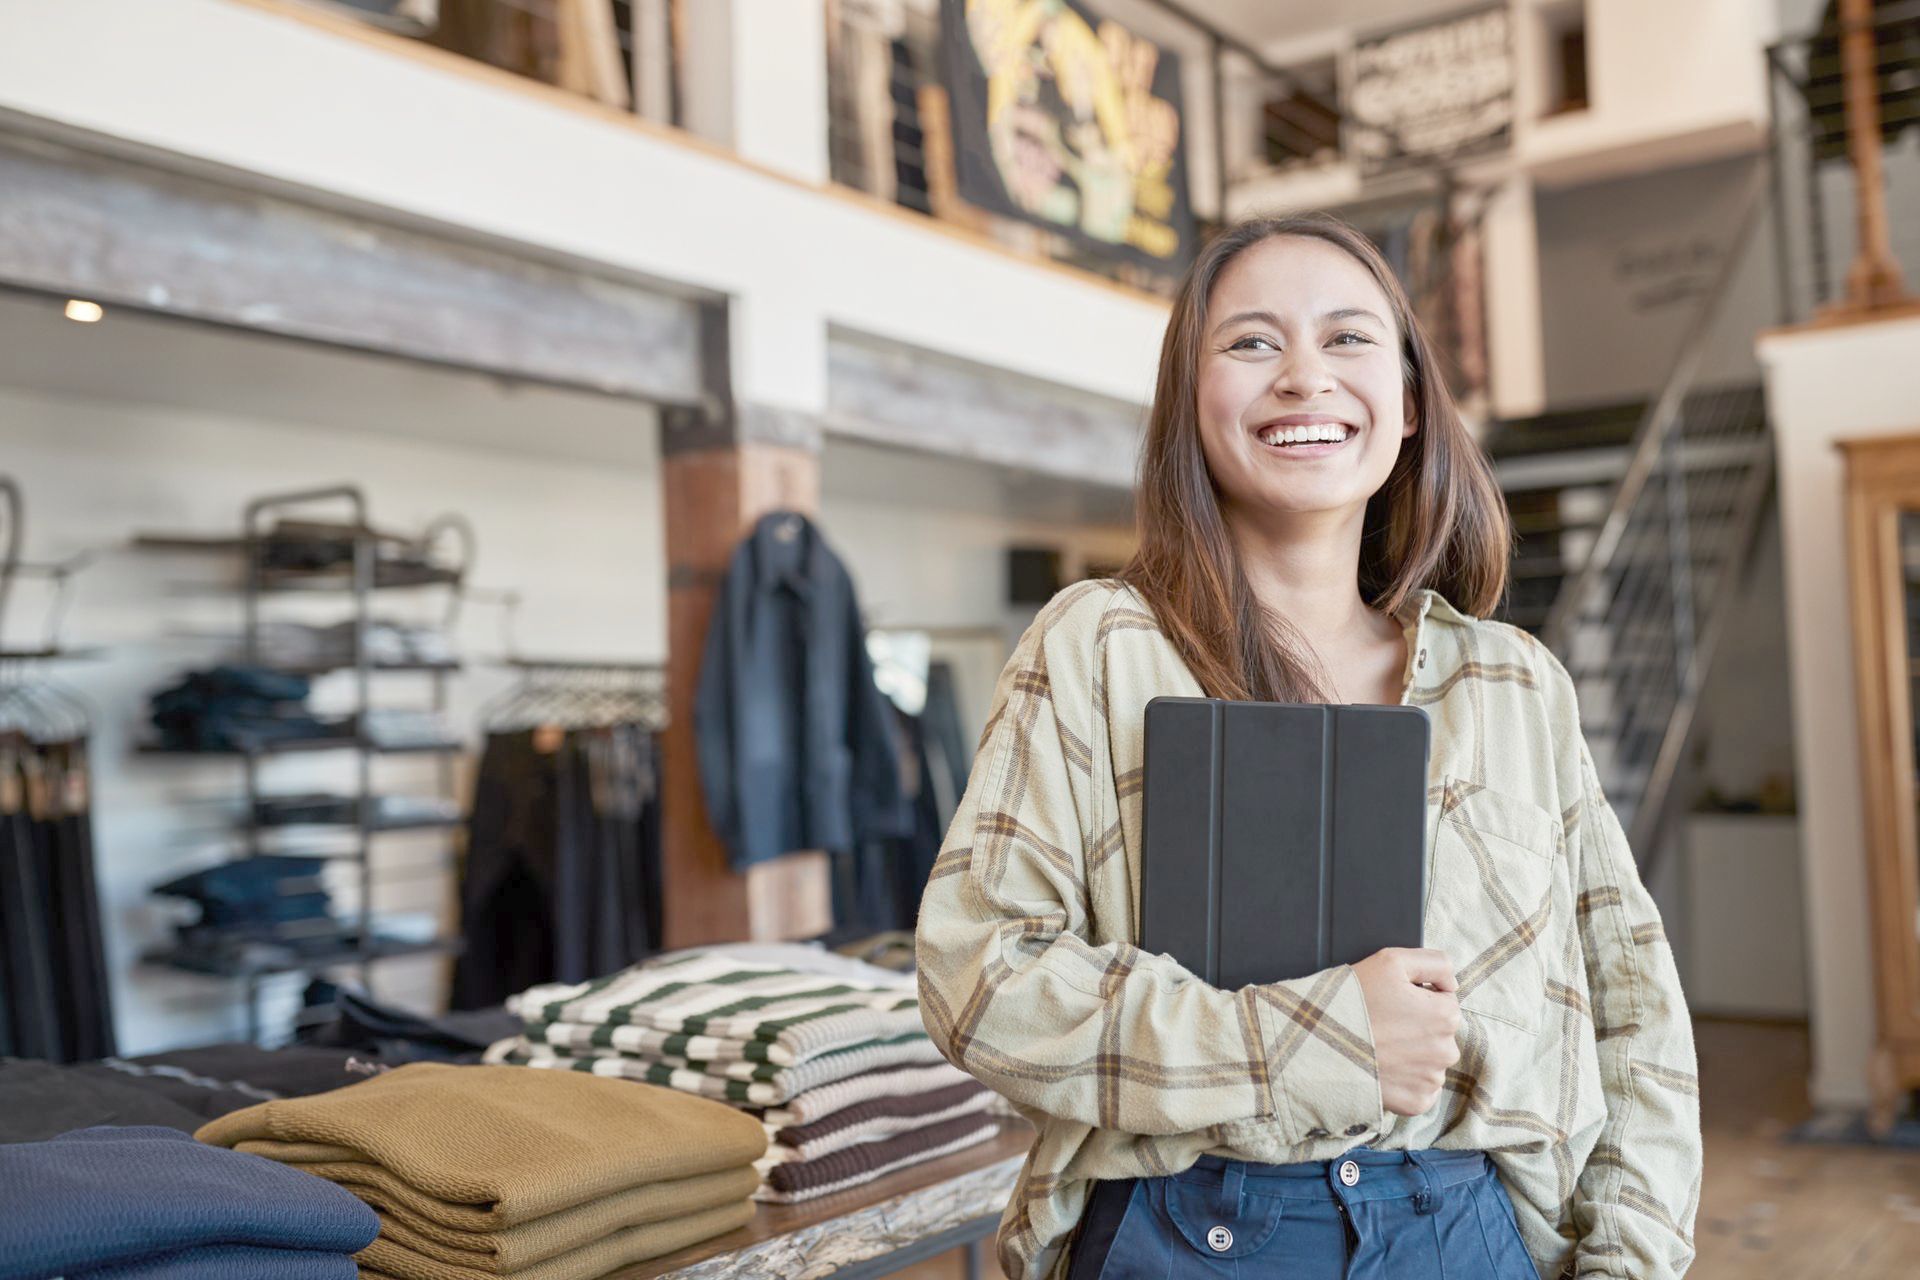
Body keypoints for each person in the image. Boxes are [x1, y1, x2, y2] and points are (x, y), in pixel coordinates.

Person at [914, 212, 1701, 1280]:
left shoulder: (1515, 682)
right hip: (1187, 1229)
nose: (1303, 376)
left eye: (1347, 338)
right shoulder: (1096, 648)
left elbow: (1636, 1007)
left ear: (1411, 400)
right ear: (1189, 404)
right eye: (1250, 342)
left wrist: (1632, 1256)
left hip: (1473, 1228)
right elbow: (979, 973)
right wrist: (1319, 1037)